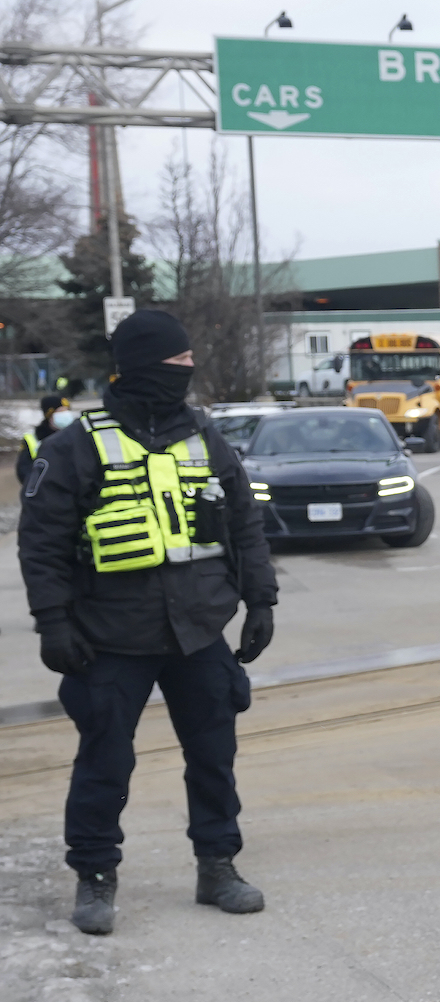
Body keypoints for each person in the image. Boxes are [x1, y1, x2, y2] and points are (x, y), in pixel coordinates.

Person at [16, 311, 278, 936]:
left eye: (188, 365)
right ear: (143, 367)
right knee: (105, 762)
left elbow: (244, 523)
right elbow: (42, 545)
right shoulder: (74, 446)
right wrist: (53, 623)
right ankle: (95, 877)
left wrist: (261, 600)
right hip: (109, 637)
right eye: (177, 365)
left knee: (214, 756)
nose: (186, 375)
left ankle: (217, 867)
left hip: (197, 631)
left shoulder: (205, 439)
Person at [14, 392, 74, 485]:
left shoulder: (76, 435)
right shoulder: (33, 439)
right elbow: (24, 471)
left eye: (67, 411)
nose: (66, 415)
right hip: (46, 492)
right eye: (61, 411)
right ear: (50, 414)